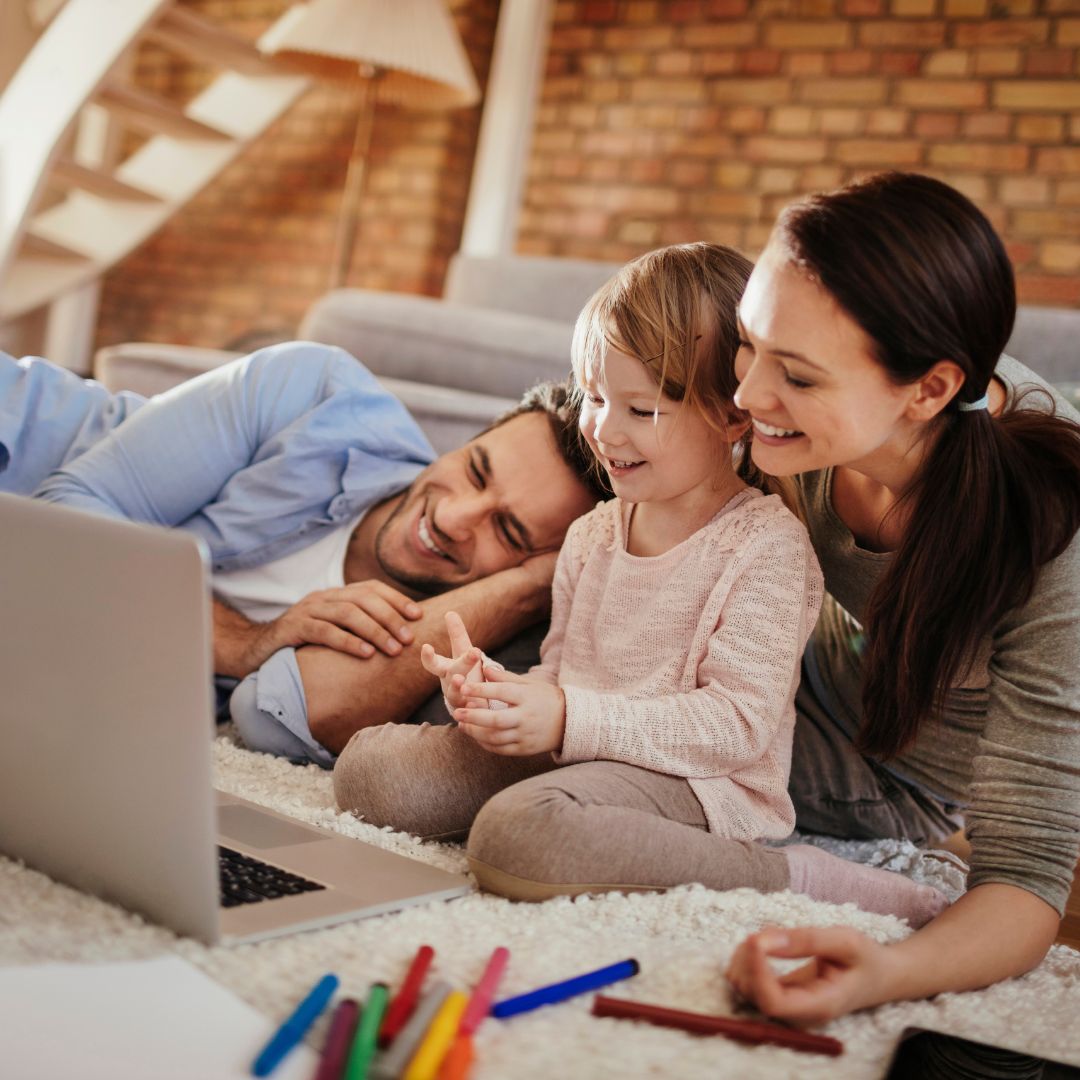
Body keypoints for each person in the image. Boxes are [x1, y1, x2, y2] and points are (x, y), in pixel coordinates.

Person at [333, 242, 951, 927]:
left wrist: (568, 717)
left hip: (696, 781)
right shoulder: (594, 533)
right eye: (592, 397)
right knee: (372, 773)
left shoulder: (766, 547)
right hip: (584, 751)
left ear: (732, 416)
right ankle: (581, 818)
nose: (601, 428)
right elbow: (563, 670)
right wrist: (502, 695)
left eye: (639, 409)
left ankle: (791, 875)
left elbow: (736, 727)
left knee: (518, 836)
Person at [722, 172, 1080, 1021]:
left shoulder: (1052, 540)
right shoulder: (814, 401)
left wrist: (884, 974)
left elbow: (1027, 875)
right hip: (788, 675)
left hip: (892, 775)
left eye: (798, 379)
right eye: (749, 343)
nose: (745, 395)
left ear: (929, 390)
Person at [0, 342, 603, 764]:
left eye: (510, 533)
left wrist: (529, 590)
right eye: (474, 471)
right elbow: (64, 515)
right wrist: (241, 641)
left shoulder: (455, 634)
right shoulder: (319, 394)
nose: (451, 519)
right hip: (21, 439)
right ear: (464, 443)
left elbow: (270, 716)